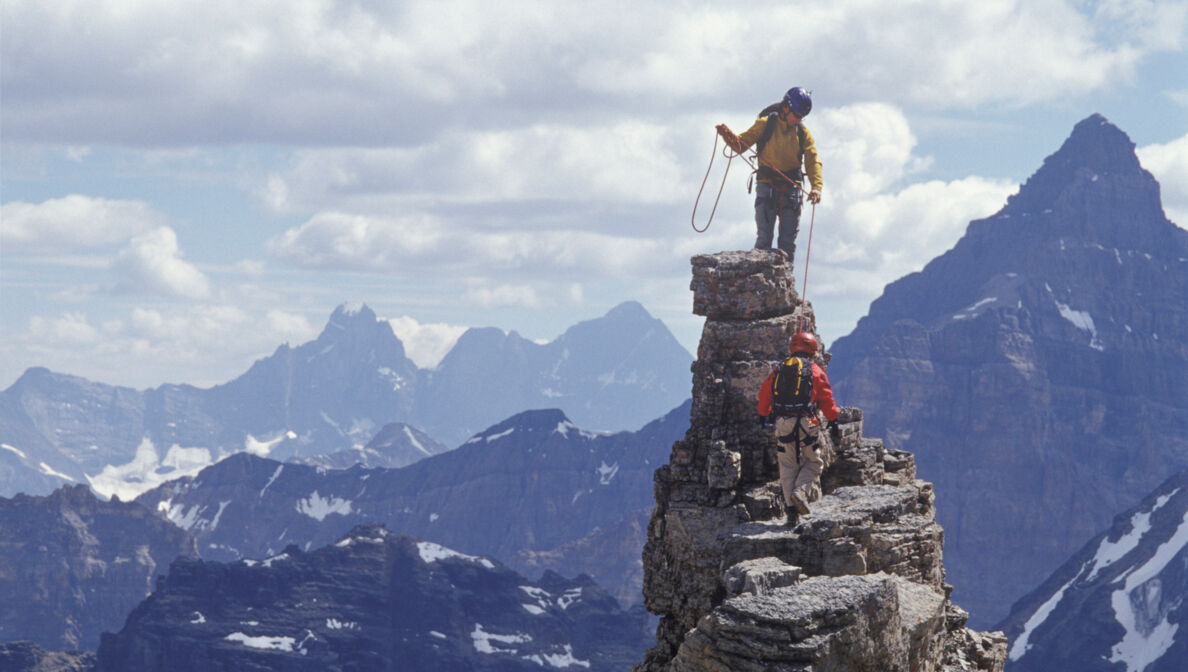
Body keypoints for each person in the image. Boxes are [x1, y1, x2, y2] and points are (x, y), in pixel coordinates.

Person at [716, 87, 823, 259]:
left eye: (800, 117)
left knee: (787, 243)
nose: (797, 120)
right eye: (796, 115)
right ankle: (760, 280)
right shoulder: (765, 124)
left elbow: (812, 161)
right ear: (786, 108)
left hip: (791, 189)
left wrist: (816, 187)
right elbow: (741, 145)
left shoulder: (803, 133)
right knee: (764, 240)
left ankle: (784, 283)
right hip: (767, 185)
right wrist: (727, 136)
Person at [756, 332, 841, 526]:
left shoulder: (779, 370)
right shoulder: (815, 371)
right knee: (814, 462)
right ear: (813, 350)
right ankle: (801, 491)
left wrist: (763, 415)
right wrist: (834, 420)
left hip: (783, 422)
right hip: (807, 423)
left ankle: (791, 514)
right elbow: (826, 399)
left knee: (787, 467)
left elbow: (764, 394)